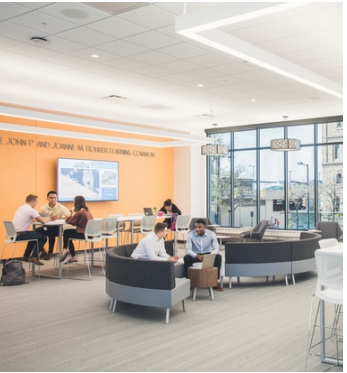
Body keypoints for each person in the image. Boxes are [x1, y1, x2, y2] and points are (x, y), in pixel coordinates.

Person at [184, 218, 223, 291]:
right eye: (196, 227)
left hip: (207, 254)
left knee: (218, 257)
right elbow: (188, 249)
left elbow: (216, 249)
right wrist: (197, 256)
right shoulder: (190, 234)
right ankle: (189, 282)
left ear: (204, 227)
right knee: (186, 258)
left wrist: (209, 256)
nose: (197, 229)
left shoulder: (211, 234)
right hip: (196, 254)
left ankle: (215, 282)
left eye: (199, 227)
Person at [13, 194, 50, 266]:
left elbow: (30, 219)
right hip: (21, 234)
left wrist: (36, 220)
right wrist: (49, 218)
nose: (36, 204)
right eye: (36, 202)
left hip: (14, 234)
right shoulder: (31, 210)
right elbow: (43, 221)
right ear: (33, 201)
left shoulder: (21, 208)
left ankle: (26, 256)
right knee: (43, 238)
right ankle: (34, 256)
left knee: (34, 236)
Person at [35, 190, 70, 260]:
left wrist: (62, 217)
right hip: (46, 227)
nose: (53, 199)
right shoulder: (43, 208)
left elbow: (68, 215)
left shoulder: (60, 207)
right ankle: (42, 250)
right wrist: (49, 219)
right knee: (35, 232)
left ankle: (50, 252)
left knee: (51, 233)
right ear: (47, 198)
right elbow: (39, 218)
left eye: (55, 197)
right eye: (51, 198)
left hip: (57, 228)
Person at [60, 195, 93, 263]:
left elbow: (69, 221)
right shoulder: (87, 211)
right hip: (90, 234)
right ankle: (72, 255)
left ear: (76, 203)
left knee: (66, 233)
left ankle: (65, 250)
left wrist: (71, 211)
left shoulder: (80, 212)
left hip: (84, 234)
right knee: (68, 235)